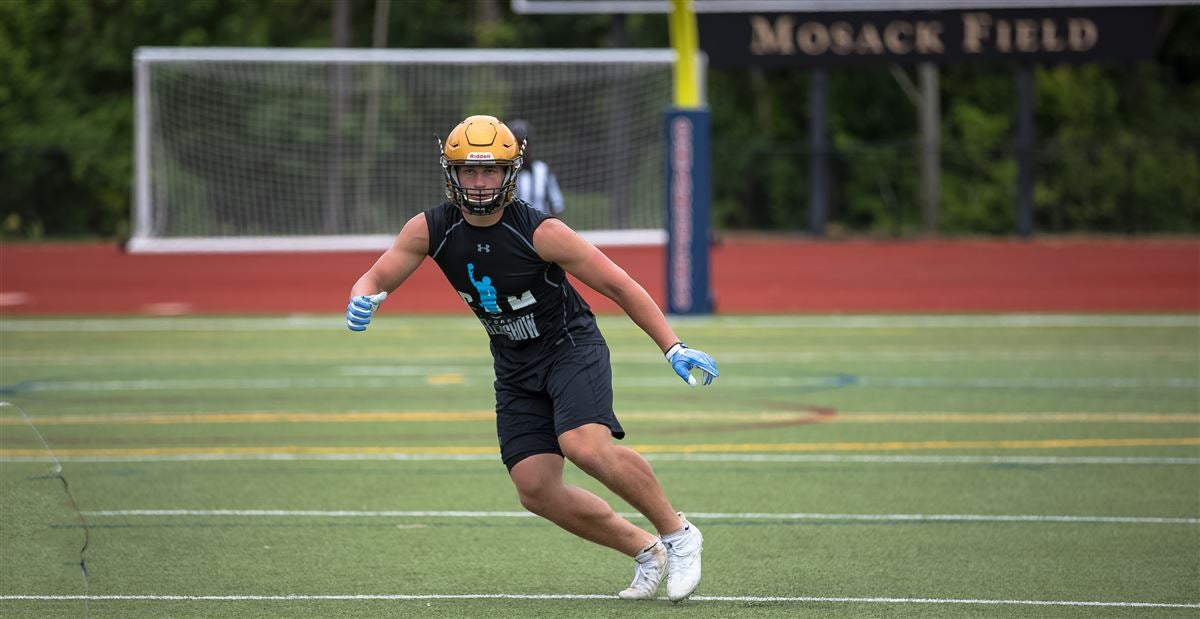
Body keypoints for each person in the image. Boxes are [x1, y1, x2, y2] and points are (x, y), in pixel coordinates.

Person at [346, 114, 718, 603]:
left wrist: (672, 345)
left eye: (491, 171)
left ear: (511, 172)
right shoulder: (430, 229)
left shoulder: (541, 231)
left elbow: (619, 285)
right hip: (515, 365)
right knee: (535, 489)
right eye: (469, 171)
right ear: (450, 173)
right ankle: (647, 550)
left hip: (569, 348)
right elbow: (376, 276)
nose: (480, 183)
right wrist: (362, 296)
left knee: (584, 445)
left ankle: (679, 533)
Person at [507, 119, 564, 216]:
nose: (521, 149)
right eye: (516, 144)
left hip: (542, 229)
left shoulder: (543, 171)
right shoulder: (502, 173)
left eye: (524, 144)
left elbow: (556, 208)